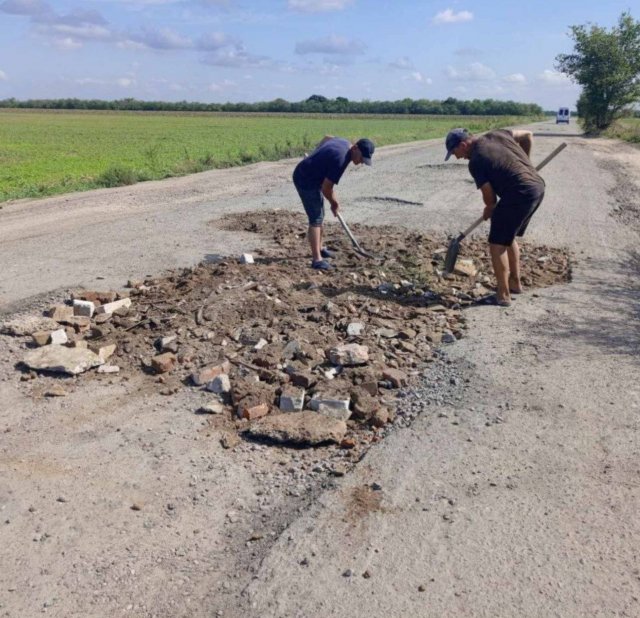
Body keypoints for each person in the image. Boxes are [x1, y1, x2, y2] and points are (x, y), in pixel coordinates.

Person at [444, 127, 544, 306]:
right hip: (536, 187)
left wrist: (489, 208)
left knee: (497, 245)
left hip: (519, 193)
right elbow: (527, 135)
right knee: (507, 237)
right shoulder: (498, 133)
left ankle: (503, 295)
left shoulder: (476, 161)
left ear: (463, 144)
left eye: (455, 152)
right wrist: (527, 164)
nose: (457, 157)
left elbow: (489, 196)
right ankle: (514, 283)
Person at [293, 136, 375, 270]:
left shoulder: (345, 143)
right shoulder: (340, 160)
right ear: (355, 148)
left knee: (320, 216)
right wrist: (334, 203)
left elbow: (327, 137)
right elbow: (327, 188)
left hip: (312, 175)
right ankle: (317, 260)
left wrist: (315, 155)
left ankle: (320, 249)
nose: (361, 162)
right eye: (361, 158)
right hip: (305, 179)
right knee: (315, 219)